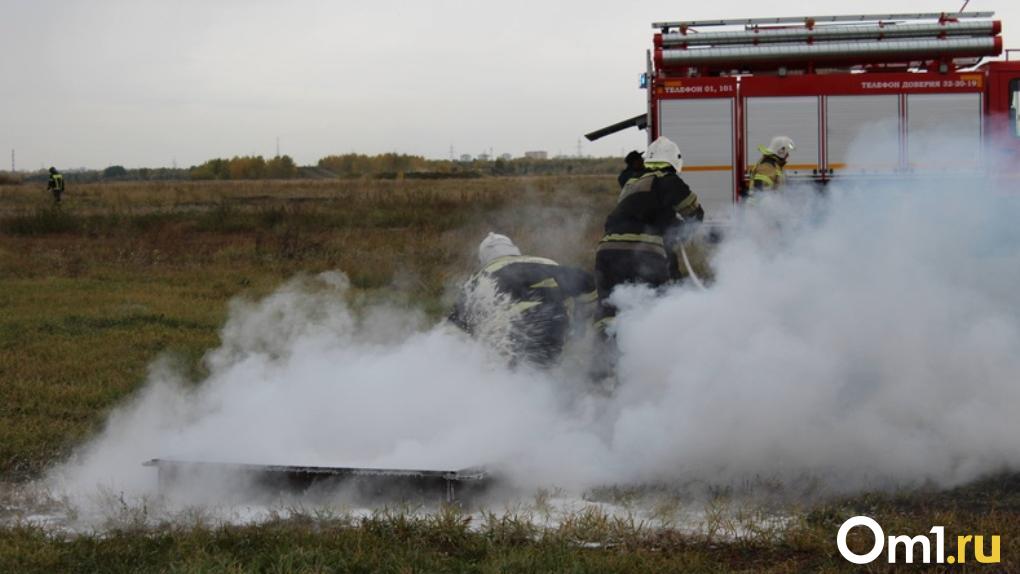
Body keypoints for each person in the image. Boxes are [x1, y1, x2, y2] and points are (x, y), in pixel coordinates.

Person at [593, 136, 704, 337]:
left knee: (610, 309)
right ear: (674, 161)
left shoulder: (633, 182)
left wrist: (671, 225)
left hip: (607, 251)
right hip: (642, 252)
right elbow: (695, 214)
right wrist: (682, 232)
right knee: (653, 308)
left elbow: (643, 212)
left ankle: (602, 362)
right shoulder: (668, 180)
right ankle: (649, 358)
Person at [450, 233, 596, 368]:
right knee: (544, 369)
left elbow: (457, 327)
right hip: (555, 328)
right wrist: (579, 323)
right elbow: (588, 283)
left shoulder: (481, 278)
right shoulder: (546, 262)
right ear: (515, 249)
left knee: (516, 375)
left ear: (483, 259)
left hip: (517, 333)